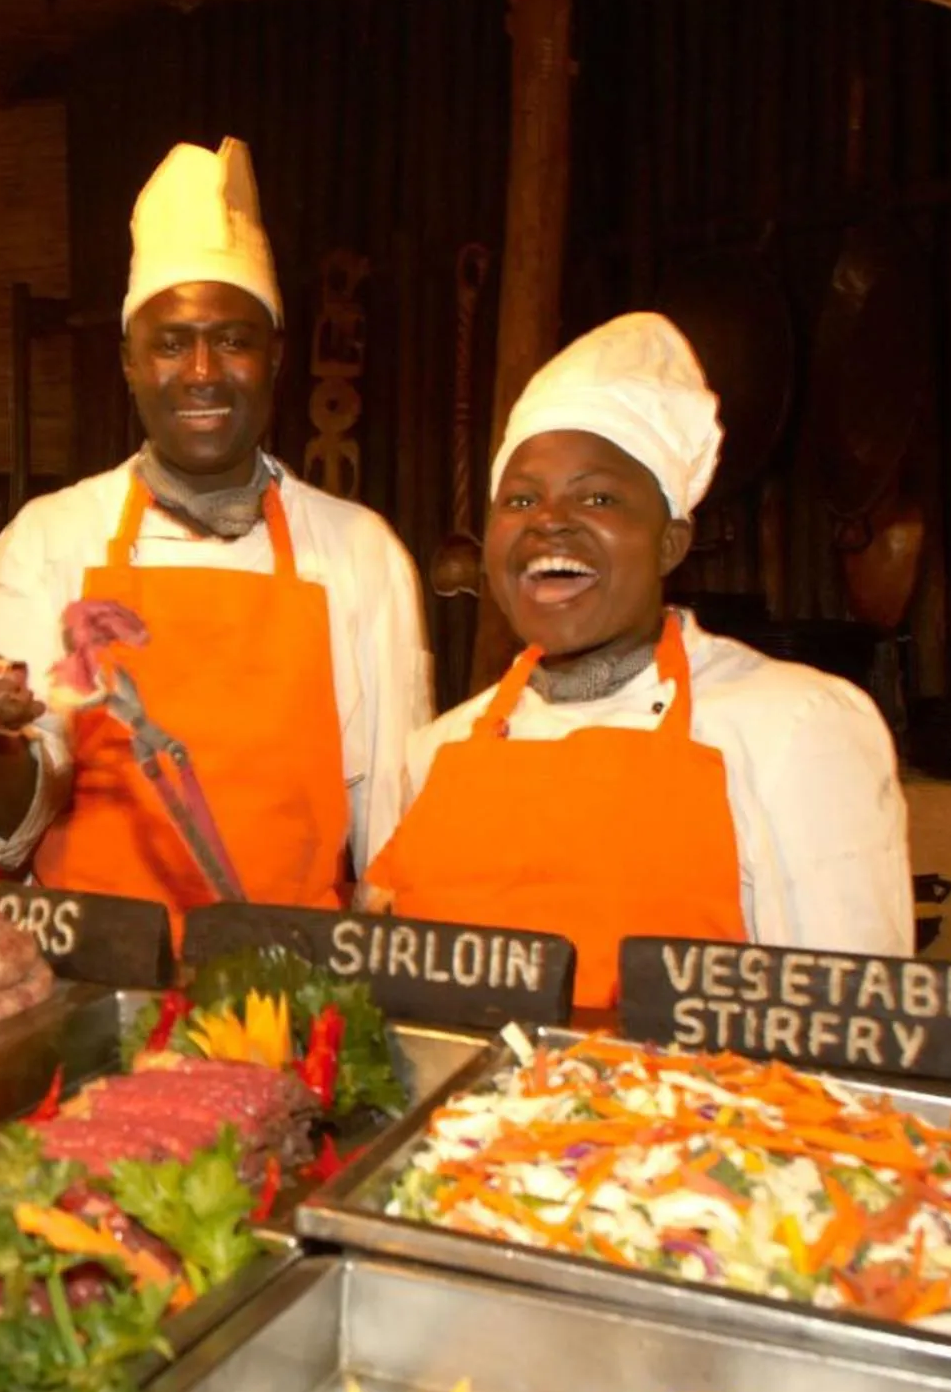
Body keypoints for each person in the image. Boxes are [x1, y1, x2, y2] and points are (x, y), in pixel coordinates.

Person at [366, 311, 914, 1008]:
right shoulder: (439, 748)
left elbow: (849, 1029)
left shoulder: (796, 729)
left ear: (670, 543)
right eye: (521, 498)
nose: (548, 521)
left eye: (598, 497)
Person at [0, 137, 430, 919]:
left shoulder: (360, 552)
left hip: (291, 995)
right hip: (88, 989)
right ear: (129, 363)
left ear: (275, 355)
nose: (202, 371)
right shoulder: (52, 537)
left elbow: (395, 834)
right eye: (170, 344)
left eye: (233, 340)